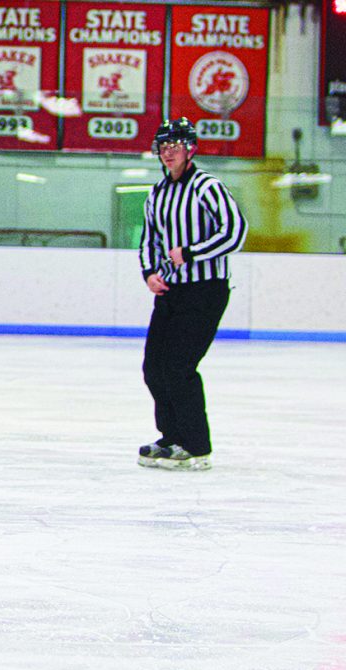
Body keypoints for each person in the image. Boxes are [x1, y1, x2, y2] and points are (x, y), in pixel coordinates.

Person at [137, 118, 248, 471]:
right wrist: (150, 273)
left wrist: (193, 251)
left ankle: (196, 445)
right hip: (170, 291)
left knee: (179, 367)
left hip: (205, 290)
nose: (167, 154)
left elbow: (235, 232)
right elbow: (149, 241)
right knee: (154, 367)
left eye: (174, 147)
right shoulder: (157, 193)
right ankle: (171, 437)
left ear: (190, 149)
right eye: (163, 148)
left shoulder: (207, 187)